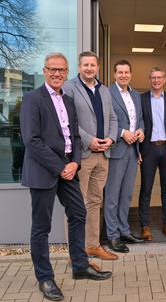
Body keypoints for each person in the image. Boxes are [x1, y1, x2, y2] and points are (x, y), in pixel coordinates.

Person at [20, 53, 112, 301]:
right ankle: (45, 277)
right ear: (45, 70)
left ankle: (80, 266)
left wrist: (73, 163)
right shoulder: (32, 99)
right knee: (42, 227)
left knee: (79, 213)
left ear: (67, 71)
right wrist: (61, 166)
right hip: (44, 171)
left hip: (68, 170)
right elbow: (32, 140)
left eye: (61, 70)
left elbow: (75, 138)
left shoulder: (68, 100)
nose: (57, 73)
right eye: (52, 69)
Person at [62, 51, 118, 261]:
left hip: (103, 155)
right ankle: (76, 253)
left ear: (97, 67)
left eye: (92, 65)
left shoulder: (104, 90)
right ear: (79, 67)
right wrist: (89, 140)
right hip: (83, 154)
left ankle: (93, 245)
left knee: (95, 201)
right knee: (77, 203)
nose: (89, 68)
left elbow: (113, 118)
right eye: (85, 65)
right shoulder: (69, 88)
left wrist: (111, 139)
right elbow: (67, 120)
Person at [104, 60, 145, 253]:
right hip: (117, 149)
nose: (123, 75)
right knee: (112, 195)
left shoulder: (136, 95)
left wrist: (140, 131)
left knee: (127, 194)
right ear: (114, 74)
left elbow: (141, 119)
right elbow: (103, 120)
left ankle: (124, 230)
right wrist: (122, 132)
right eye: (119, 72)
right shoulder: (107, 93)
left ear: (131, 74)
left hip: (132, 150)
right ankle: (112, 235)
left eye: (126, 72)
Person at [139, 67, 166, 240]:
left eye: (159, 77)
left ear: (164, 79)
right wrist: (138, 150)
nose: (156, 80)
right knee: (146, 190)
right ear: (150, 80)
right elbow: (136, 123)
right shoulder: (141, 99)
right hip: (148, 149)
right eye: (153, 78)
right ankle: (145, 226)